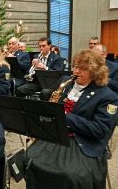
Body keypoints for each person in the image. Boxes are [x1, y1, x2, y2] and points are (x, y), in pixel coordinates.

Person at [24, 49, 118, 189]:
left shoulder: (108, 96)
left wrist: (66, 116)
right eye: (75, 66)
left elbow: (100, 131)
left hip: (83, 142)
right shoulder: (65, 82)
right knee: (29, 158)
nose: (76, 71)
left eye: (82, 69)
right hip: (57, 135)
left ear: (95, 72)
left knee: (71, 174)